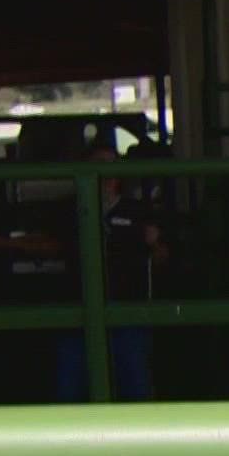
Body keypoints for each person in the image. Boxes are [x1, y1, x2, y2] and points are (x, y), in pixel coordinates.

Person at [54, 142, 167, 401]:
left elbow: (162, 259)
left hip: (125, 310)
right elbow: (49, 244)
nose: (104, 172)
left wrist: (155, 243)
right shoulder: (67, 210)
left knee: (135, 386)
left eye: (110, 165)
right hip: (77, 311)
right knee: (68, 390)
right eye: (97, 164)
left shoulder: (136, 210)